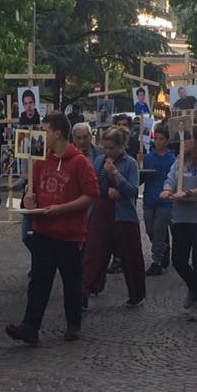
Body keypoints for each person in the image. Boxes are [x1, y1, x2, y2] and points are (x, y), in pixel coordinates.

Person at [6, 113, 99, 346]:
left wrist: (63, 208)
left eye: (44, 129)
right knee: (39, 281)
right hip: (43, 230)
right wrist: (30, 200)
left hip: (69, 233)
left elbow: (91, 195)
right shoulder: (40, 160)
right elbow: (34, 191)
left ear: (57, 133)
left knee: (71, 281)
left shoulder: (80, 162)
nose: (40, 133)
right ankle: (30, 326)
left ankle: (73, 323)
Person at [159, 126, 197, 321]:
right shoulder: (180, 161)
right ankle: (194, 287)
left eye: (188, 138)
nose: (184, 142)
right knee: (178, 259)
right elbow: (170, 179)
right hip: (181, 217)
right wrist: (167, 190)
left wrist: (188, 193)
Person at [81, 127, 144, 308]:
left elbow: (133, 190)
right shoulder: (100, 161)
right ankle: (84, 292)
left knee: (130, 256)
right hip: (101, 212)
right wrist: (105, 190)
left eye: (111, 148)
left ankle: (136, 294)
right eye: (105, 147)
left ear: (120, 146)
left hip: (123, 214)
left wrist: (116, 175)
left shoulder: (130, 163)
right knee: (93, 253)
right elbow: (91, 186)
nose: (108, 152)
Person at [143, 126, 175, 277]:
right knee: (150, 230)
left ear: (167, 141)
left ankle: (156, 261)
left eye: (161, 139)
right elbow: (143, 177)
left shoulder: (172, 159)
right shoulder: (149, 157)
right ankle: (163, 247)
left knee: (159, 228)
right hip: (149, 198)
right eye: (156, 138)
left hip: (165, 201)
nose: (158, 141)